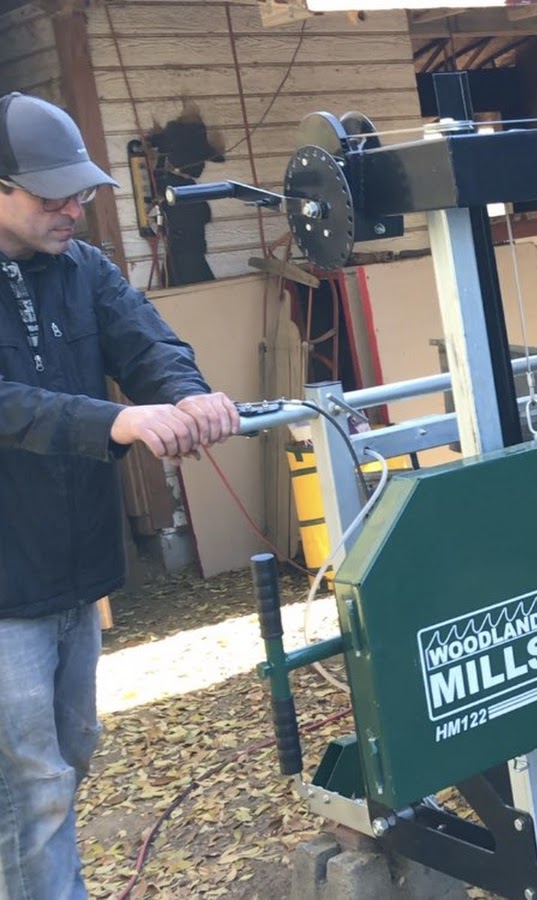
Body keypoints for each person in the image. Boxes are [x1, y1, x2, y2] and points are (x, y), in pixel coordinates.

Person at [0, 92, 241, 899]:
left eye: (79, 192)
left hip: (76, 569)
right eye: (51, 196)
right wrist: (117, 421)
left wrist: (187, 395)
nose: (73, 208)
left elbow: (147, 342)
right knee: (32, 784)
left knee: (68, 760)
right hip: (5, 587)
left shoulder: (86, 269)